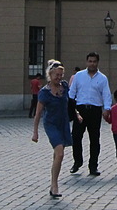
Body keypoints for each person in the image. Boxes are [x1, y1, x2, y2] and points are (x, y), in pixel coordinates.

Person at [32, 59, 81, 198]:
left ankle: (53, 180)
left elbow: (70, 103)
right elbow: (38, 114)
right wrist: (35, 132)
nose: (59, 78)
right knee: (60, 153)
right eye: (56, 75)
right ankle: (54, 185)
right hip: (51, 124)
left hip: (63, 123)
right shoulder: (44, 93)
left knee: (57, 154)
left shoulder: (64, 86)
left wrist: (76, 114)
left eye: (61, 75)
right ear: (50, 75)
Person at [68, 52, 112, 176]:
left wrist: (107, 109)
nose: (92, 63)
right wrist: (71, 109)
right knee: (76, 137)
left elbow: (106, 94)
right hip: (81, 109)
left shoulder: (102, 78)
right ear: (86, 62)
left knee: (94, 139)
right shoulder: (79, 76)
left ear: (97, 62)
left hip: (95, 110)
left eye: (94, 61)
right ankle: (77, 161)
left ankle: (93, 166)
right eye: (90, 61)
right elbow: (72, 93)